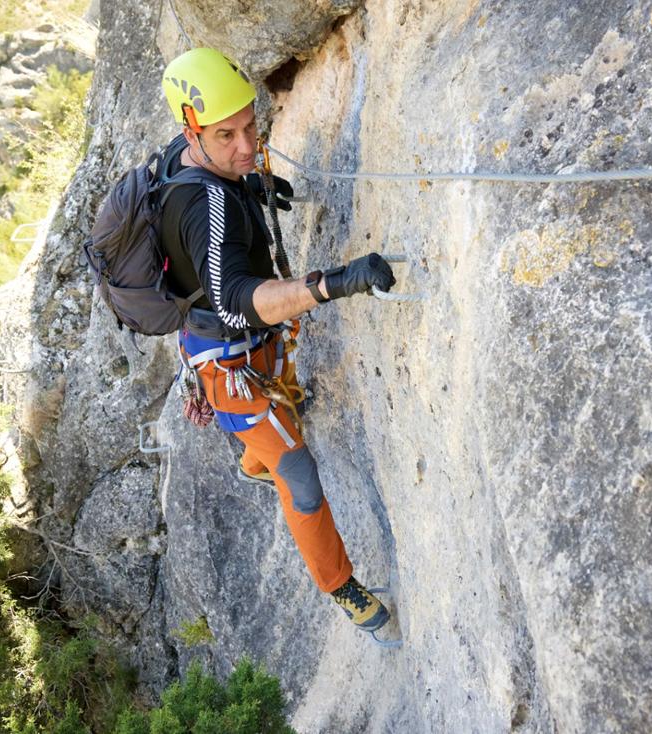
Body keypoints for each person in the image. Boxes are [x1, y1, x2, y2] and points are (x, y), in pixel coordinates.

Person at [158, 47, 397, 632]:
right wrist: (331, 285)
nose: (246, 144)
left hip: (222, 347)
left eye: (250, 126)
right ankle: (343, 590)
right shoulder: (205, 203)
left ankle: (251, 459)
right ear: (194, 129)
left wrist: (253, 182)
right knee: (300, 476)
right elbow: (239, 304)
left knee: (270, 435)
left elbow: (223, 191)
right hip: (229, 359)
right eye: (227, 136)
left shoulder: (182, 157)